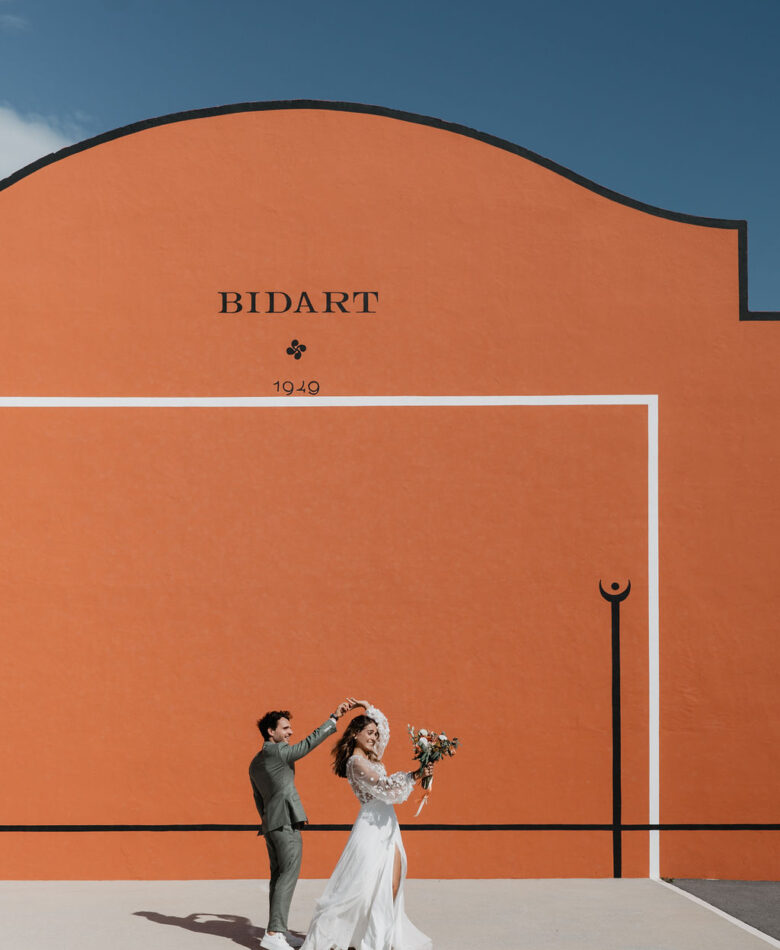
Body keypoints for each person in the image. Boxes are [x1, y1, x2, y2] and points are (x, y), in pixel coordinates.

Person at [301, 699, 434, 950]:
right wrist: (415, 775)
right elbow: (384, 788)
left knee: (392, 884)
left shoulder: (372, 757)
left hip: (388, 826)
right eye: (369, 733)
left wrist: (366, 706)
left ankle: (379, 938)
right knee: (359, 890)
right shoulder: (356, 763)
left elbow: (382, 729)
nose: (375, 737)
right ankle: (345, 939)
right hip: (371, 828)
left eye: (376, 733)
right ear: (355, 734)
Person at [250, 700, 355, 950]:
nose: (290, 732)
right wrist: (333, 719)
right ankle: (274, 934)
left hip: (271, 825)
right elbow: (305, 746)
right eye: (285, 728)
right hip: (285, 822)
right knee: (287, 877)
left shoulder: (255, 762)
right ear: (270, 732)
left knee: (278, 878)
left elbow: (258, 799)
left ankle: (277, 931)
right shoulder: (277, 752)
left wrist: (268, 822)